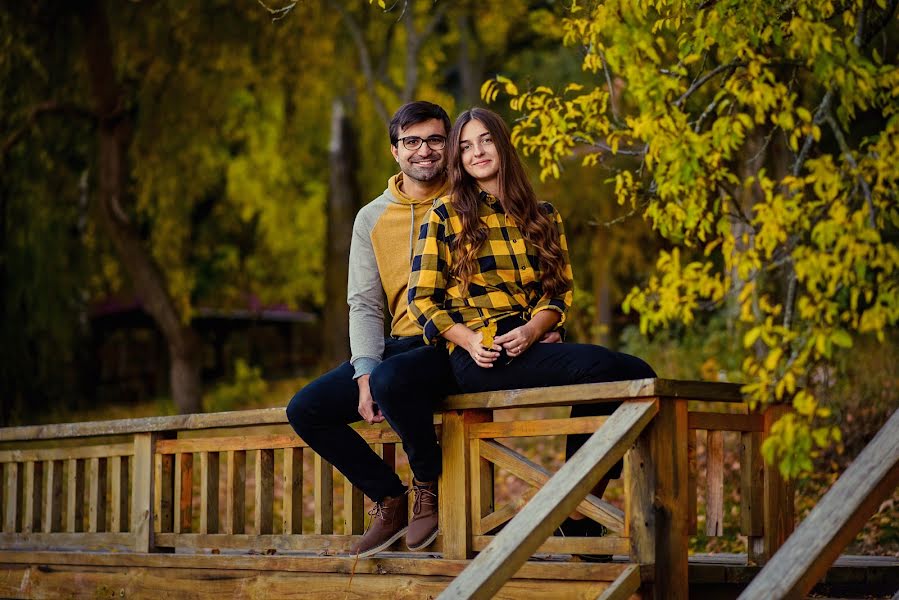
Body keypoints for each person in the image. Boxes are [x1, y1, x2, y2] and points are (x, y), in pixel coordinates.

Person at [407, 107, 656, 555]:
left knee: (632, 374)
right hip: (479, 353)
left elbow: (558, 293)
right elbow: (421, 299)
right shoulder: (444, 215)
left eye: (484, 141)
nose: (476, 152)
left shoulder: (543, 215)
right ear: (457, 160)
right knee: (615, 370)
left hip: (528, 342)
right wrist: (468, 339)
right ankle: (577, 513)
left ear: (503, 144)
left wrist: (535, 328)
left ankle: (578, 509)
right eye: (465, 146)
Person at [286, 101, 456, 558]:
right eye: (412, 141)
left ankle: (427, 488)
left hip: (450, 343)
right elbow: (363, 303)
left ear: (449, 144)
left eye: (435, 139)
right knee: (307, 408)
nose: (425, 150)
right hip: (395, 346)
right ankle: (390, 497)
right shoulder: (372, 217)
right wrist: (363, 371)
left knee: (391, 380)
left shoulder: (468, 201)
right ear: (394, 151)